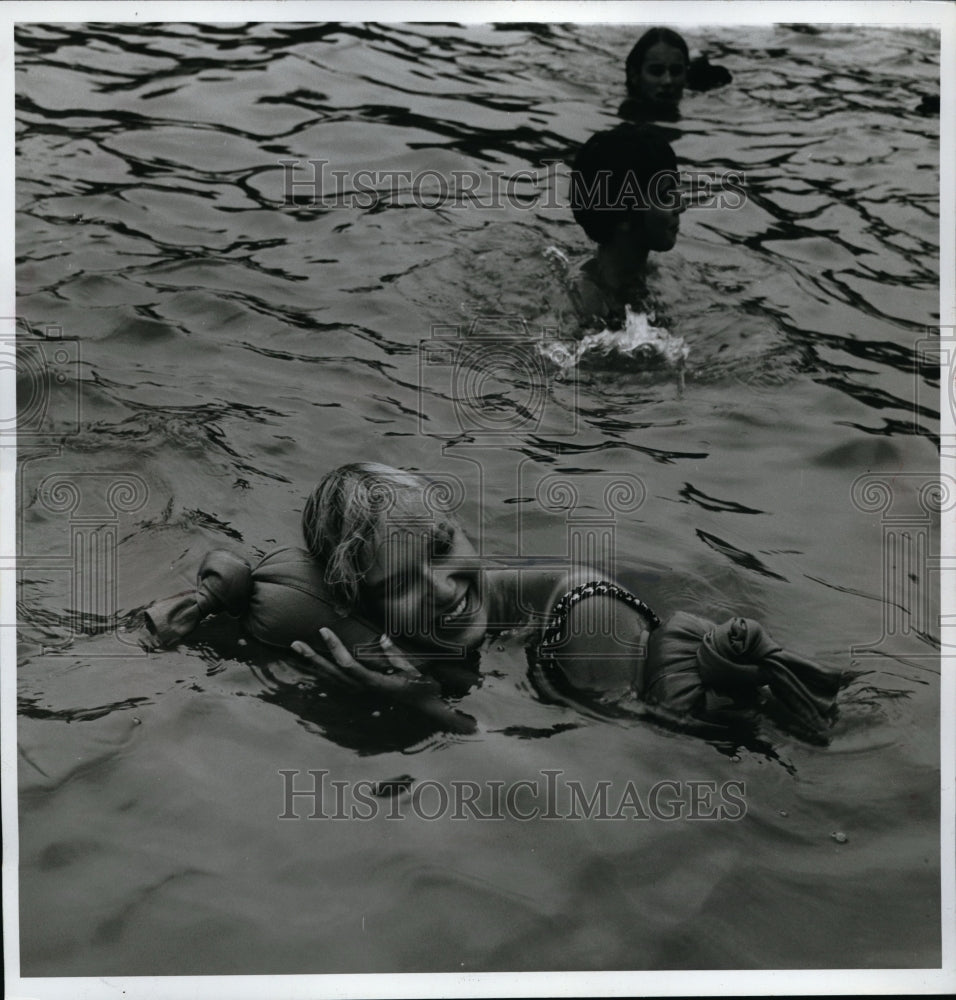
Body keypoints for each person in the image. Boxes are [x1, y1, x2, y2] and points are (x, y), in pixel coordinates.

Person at [292, 463, 846, 744]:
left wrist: (426, 708)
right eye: (400, 586)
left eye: (442, 547)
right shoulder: (456, 630)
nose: (443, 585)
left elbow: (603, 781)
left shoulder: (583, 617)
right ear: (368, 609)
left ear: (461, 528)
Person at [563, 122, 684, 334]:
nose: (681, 205)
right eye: (665, 196)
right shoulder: (588, 305)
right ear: (623, 217)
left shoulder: (659, 272)